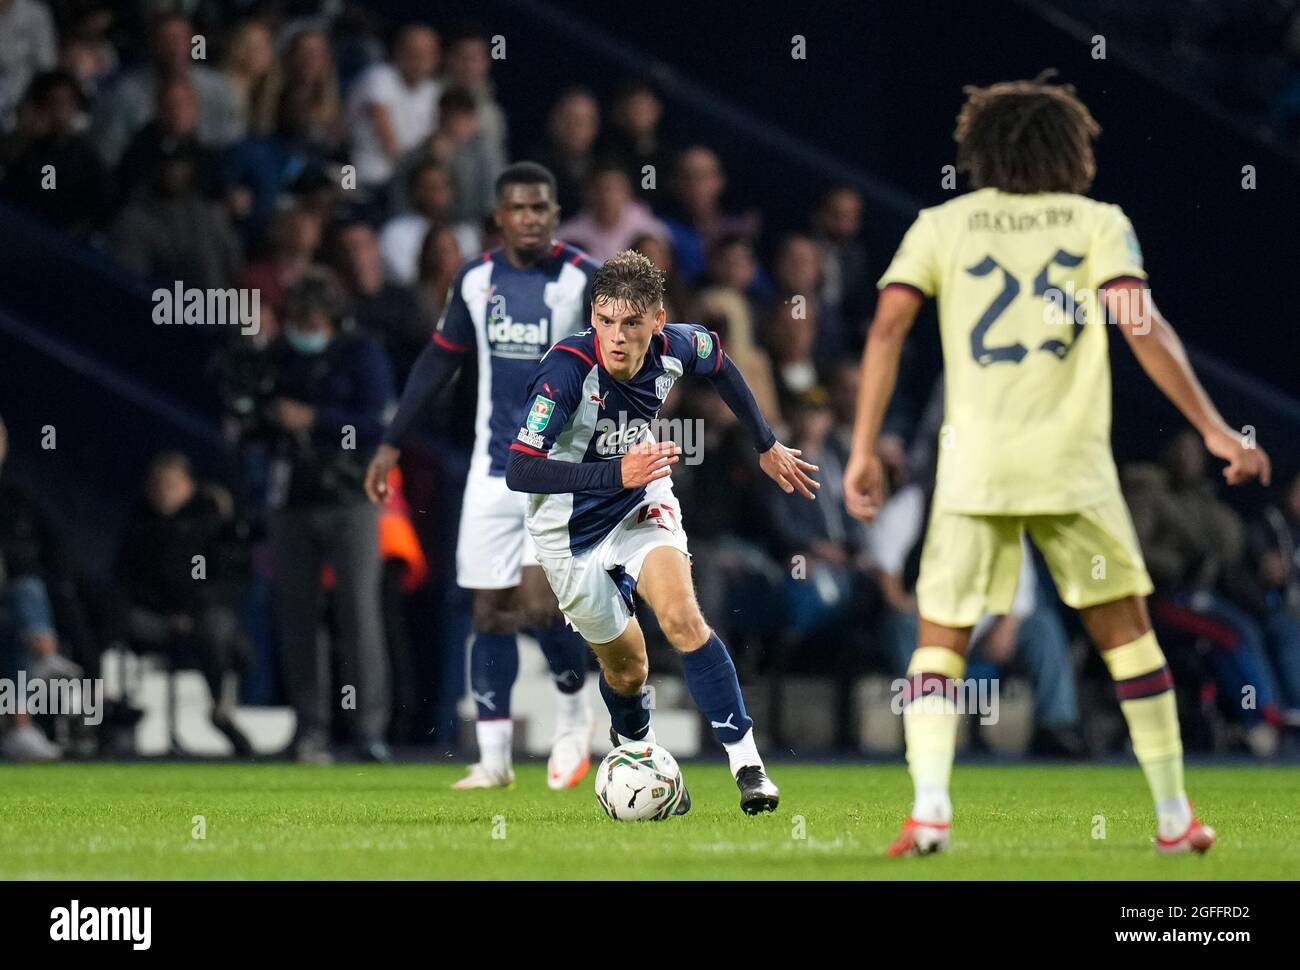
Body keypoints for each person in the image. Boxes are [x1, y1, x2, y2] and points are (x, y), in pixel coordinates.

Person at [842, 75, 1271, 856]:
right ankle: (1174, 818)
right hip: (1071, 468)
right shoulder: (1096, 222)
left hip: (975, 469)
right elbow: (1142, 328)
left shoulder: (944, 223)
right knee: (1127, 636)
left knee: (941, 639)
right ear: (1069, 150)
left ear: (981, 151)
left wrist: (865, 447)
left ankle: (931, 810)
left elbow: (885, 328)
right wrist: (1213, 428)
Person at [505, 249, 818, 814]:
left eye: (630, 323)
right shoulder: (566, 372)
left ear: (656, 320)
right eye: (604, 320)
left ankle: (748, 766)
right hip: (565, 530)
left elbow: (721, 363)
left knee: (681, 616)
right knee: (629, 668)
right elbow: (520, 469)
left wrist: (765, 441)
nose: (615, 337)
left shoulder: (680, 345)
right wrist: (610, 472)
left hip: (640, 498)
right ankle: (635, 750)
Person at [365, 162, 599, 790]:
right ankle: (493, 762)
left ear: (555, 213)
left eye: (542, 207)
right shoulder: (475, 280)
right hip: (491, 471)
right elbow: (439, 361)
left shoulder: (583, 280)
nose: (531, 218)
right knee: (489, 613)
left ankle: (575, 718)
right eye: (519, 208)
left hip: (558, 471)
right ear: (499, 217)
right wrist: (390, 443)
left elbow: (626, 364)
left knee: (542, 605)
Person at [268, 269, 395, 764]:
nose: (304, 326)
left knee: (358, 613)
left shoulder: (361, 353)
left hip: (351, 497)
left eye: (312, 317)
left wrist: (315, 419)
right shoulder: (278, 355)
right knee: (297, 615)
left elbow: (377, 419)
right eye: (297, 316)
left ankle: (368, 729)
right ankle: (310, 728)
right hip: (294, 498)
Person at [115, 452, 253, 755]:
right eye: (158, 486)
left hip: (200, 618)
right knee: (119, 618)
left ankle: (222, 707)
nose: (165, 493)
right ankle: (114, 714)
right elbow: (125, 579)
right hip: (154, 618)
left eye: (172, 485)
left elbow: (227, 575)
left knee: (216, 628)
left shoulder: (210, 523)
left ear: (190, 486)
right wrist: (167, 612)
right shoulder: (140, 527)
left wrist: (191, 611)